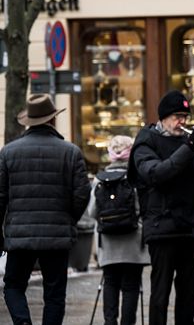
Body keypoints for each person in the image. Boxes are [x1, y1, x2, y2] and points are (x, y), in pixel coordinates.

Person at [127, 90, 194, 325]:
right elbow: (157, 174)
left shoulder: (188, 142)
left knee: (188, 290)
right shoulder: (146, 141)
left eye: (185, 116)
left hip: (189, 226)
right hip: (162, 226)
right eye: (176, 116)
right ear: (163, 117)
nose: (182, 122)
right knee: (160, 292)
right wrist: (189, 147)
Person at [0, 94, 91, 325]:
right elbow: (82, 194)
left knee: (13, 286)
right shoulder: (71, 152)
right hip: (57, 238)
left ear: (29, 121)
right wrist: (68, 218)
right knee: (54, 294)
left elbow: (0, 198)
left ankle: (23, 322)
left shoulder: (8, 153)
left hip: (20, 237)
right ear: (52, 121)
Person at [87, 135, 150, 325]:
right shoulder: (135, 178)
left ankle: (110, 322)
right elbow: (143, 210)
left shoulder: (99, 181)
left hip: (107, 242)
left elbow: (92, 212)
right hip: (133, 243)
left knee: (110, 282)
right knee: (131, 286)